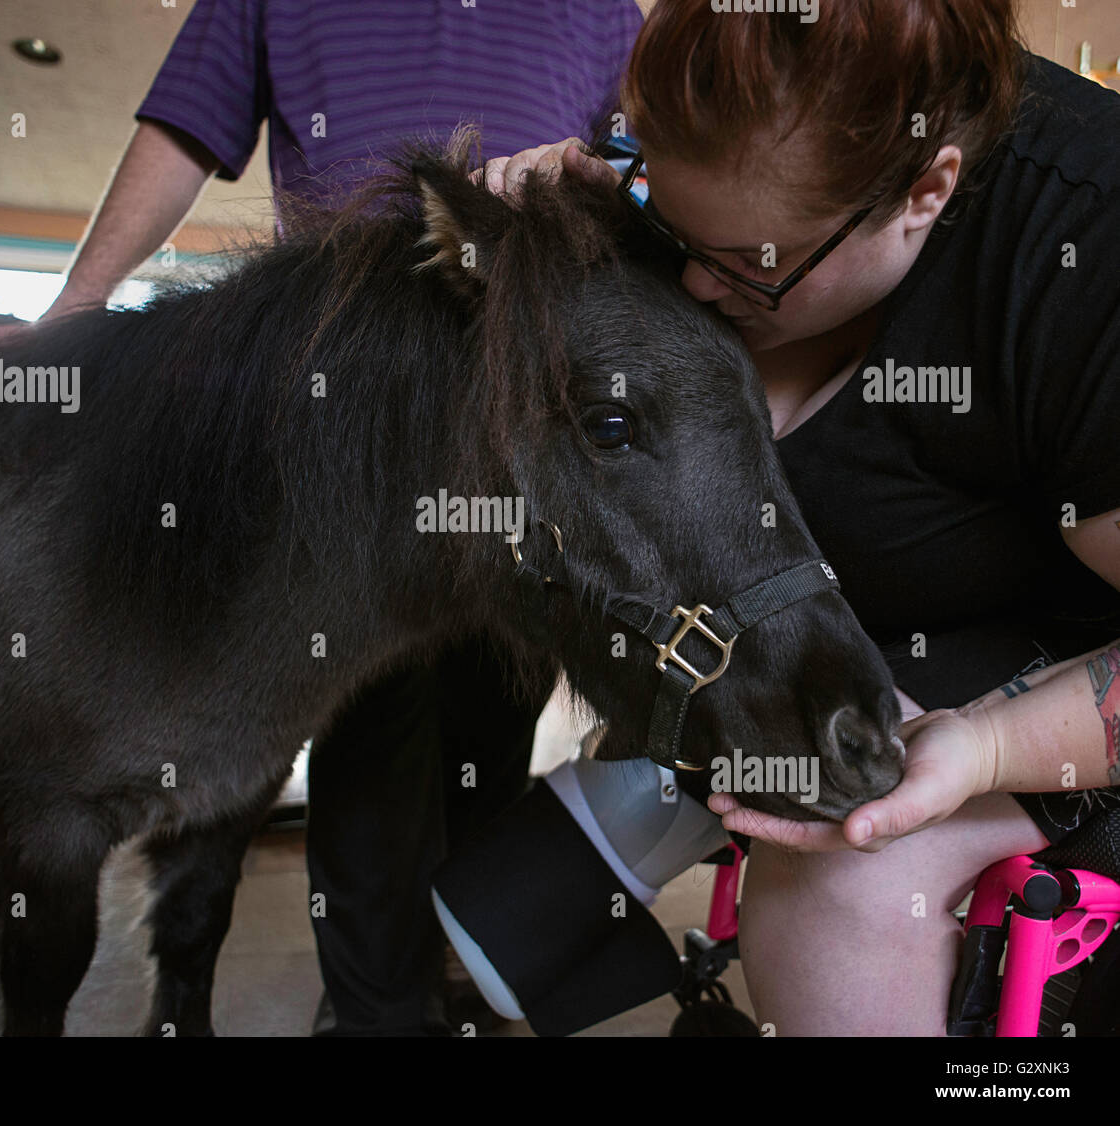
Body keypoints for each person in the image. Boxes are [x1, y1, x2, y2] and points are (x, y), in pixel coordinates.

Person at [0, 0, 646, 1036]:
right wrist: (74, 314)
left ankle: (461, 980)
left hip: (517, 429)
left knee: (492, 736)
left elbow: (647, 166)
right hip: (343, 437)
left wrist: (611, 173)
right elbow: (184, 131)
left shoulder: (602, 13)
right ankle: (374, 1012)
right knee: (370, 749)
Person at [467, 0, 1120, 1035]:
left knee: (838, 895)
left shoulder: (1084, 255)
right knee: (498, 919)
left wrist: (991, 750)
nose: (691, 281)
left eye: (745, 265)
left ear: (926, 190)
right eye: (675, 225)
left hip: (1071, 651)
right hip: (853, 617)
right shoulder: (704, 163)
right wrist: (567, 230)